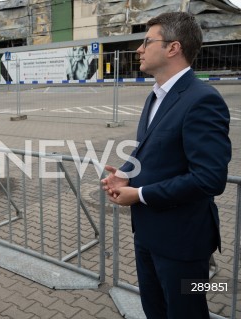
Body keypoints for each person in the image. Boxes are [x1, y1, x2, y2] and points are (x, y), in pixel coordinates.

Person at [101, 12, 231, 318]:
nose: (139, 49)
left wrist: (140, 194)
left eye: (147, 41)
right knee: (154, 310)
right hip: (147, 234)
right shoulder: (155, 96)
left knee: (186, 311)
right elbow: (155, 150)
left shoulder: (202, 100)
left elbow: (209, 179)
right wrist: (125, 174)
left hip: (183, 243)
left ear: (173, 48)